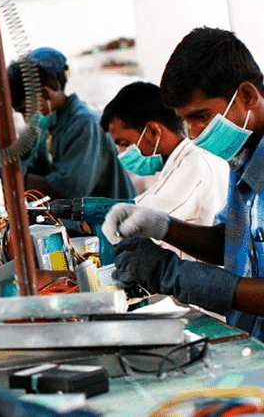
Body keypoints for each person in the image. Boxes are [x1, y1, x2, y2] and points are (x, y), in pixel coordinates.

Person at [102, 27, 264, 338]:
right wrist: (164, 227)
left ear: (246, 96)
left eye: (202, 116)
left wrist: (180, 276)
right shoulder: (244, 155)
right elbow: (233, 242)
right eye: (186, 119)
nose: (193, 133)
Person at [100, 81, 229, 259]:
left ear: (153, 131)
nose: (121, 154)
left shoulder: (193, 166)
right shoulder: (184, 163)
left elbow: (135, 219)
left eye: (124, 144)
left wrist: (98, 217)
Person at [8, 47, 136, 200]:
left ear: (44, 93)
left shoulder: (85, 124)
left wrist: (17, 177)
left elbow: (71, 189)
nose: (25, 117)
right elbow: (35, 164)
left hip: (110, 217)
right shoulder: (49, 122)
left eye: (25, 109)